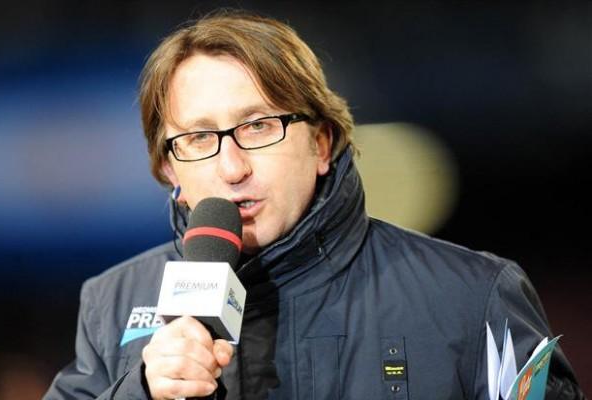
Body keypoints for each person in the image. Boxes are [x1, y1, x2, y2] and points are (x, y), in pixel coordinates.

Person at [44, 10, 584, 400]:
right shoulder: (112, 302)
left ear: (322, 144)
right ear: (169, 169)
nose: (232, 167)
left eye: (258, 126)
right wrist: (140, 390)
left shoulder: (473, 298)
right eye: (199, 138)